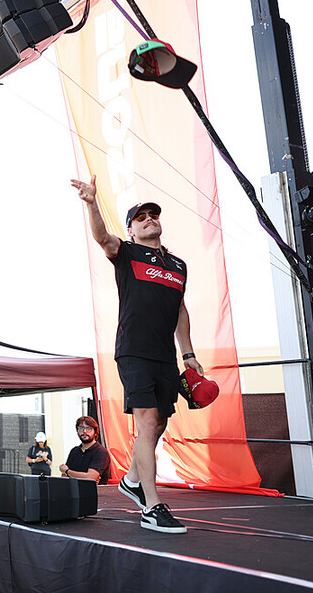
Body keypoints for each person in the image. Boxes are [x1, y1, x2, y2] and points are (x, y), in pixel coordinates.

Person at [72, 175, 202, 534]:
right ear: (131, 230)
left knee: (159, 423)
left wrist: (188, 354)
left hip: (165, 357)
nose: (148, 219)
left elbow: (180, 310)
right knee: (146, 423)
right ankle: (152, 506)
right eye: (140, 217)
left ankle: (131, 480)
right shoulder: (127, 253)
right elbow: (102, 237)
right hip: (134, 352)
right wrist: (91, 202)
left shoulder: (178, 266)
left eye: (153, 215)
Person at [59, 416, 111, 485]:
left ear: (95, 432)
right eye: (81, 428)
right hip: (73, 491)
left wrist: (67, 471)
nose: (84, 431)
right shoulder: (74, 451)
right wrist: (84, 477)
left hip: (95, 492)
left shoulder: (101, 452)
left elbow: (90, 478)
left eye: (88, 428)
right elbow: (64, 478)